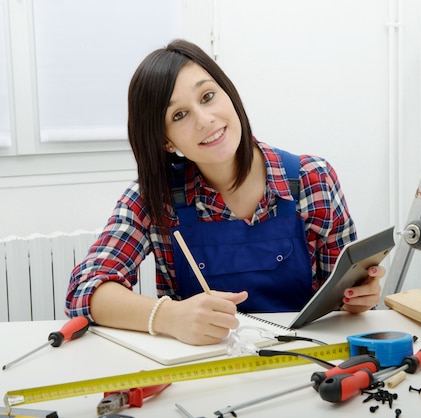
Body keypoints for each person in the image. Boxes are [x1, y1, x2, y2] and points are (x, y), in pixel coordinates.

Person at [65, 39, 385, 346]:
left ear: (228, 94)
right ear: (167, 142)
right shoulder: (154, 198)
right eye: (179, 115)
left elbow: (346, 298)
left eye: (207, 97)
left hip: (303, 363)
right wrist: (168, 316)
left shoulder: (312, 179)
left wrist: (357, 300)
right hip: (201, 371)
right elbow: (84, 291)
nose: (205, 120)